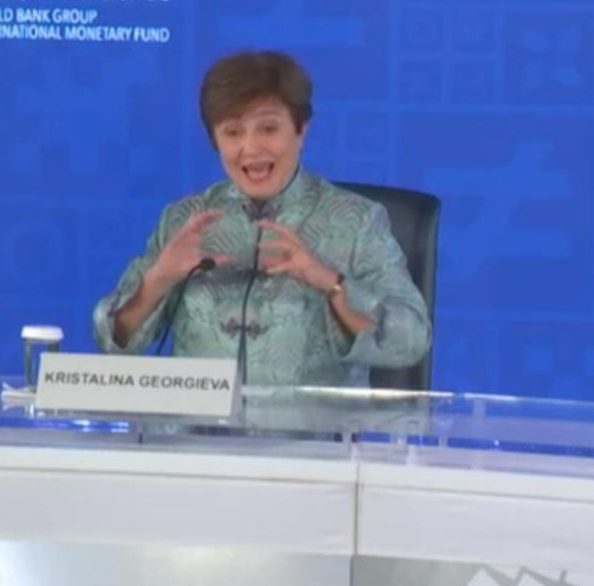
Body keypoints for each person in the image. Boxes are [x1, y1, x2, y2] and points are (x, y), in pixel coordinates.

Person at [92, 51, 430, 388]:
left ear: (301, 130)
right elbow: (111, 338)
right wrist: (159, 278)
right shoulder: (184, 219)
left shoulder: (357, 222)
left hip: (313, 438)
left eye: (268, 128)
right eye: (233, 132)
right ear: (215, 141)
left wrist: (332, 283)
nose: (250, 149)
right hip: (194, 438)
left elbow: (411, 339)